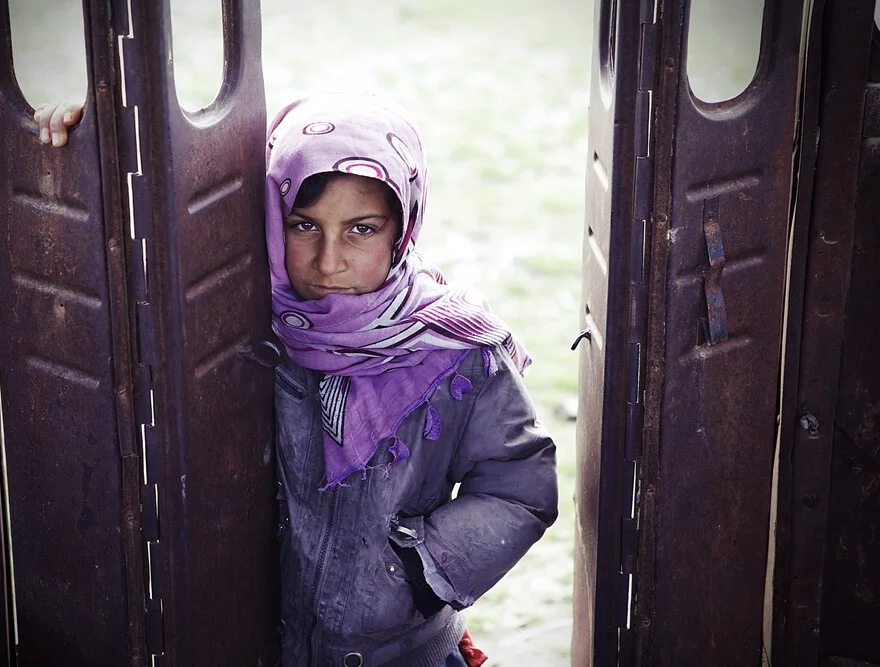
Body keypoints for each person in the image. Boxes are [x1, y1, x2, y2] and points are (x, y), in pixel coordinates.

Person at [36, 92, 558, 667]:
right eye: (303, 225)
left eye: (361, 228)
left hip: (401, 653)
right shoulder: (230, 323)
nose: (328, 260)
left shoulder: (456, 348)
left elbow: (519, 486)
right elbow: (146, 237)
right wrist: (101, 143)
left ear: (403, 226)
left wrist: (416, 568)